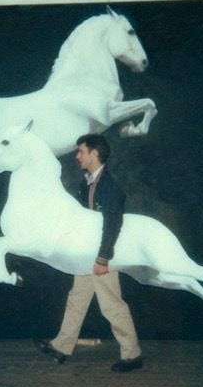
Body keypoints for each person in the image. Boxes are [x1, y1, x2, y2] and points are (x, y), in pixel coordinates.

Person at [35, 134, 142, 373]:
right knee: (77, 299)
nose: (77, 156)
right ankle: (61, 347)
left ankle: (132, 355)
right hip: (86, 256)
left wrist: (102, 259)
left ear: (94, 154)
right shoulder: (87, 184)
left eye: (81, 151)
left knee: (111, 305)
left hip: (101, 258)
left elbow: (113, 225)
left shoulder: (109, 187)